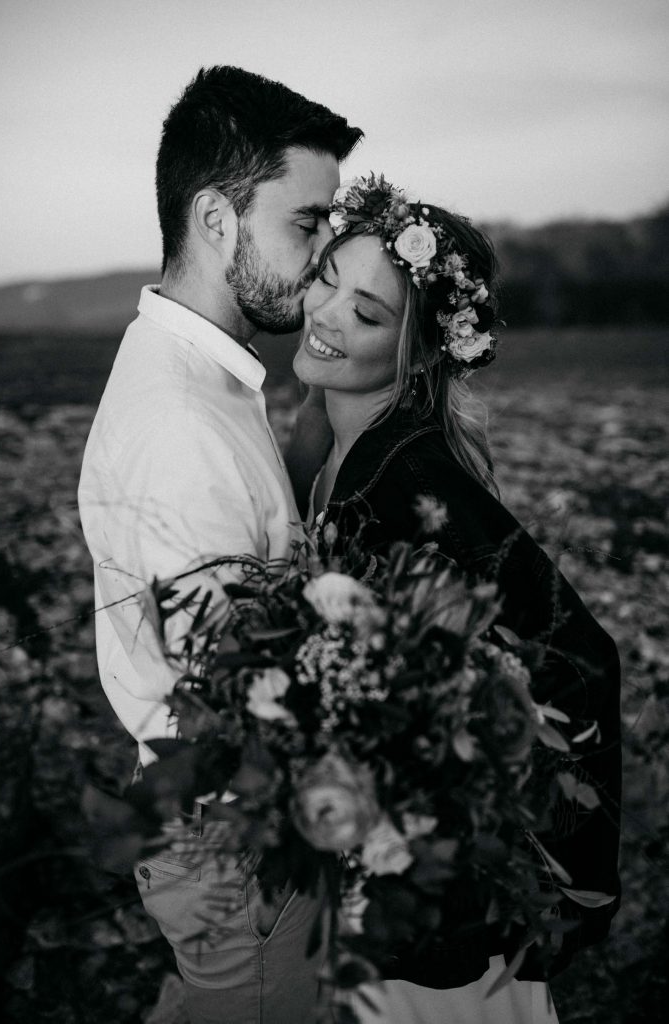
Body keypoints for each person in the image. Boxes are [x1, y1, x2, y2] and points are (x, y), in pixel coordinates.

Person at [292, 175, 622, 1022]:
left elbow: (578, 655)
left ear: (423, 353)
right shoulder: (333, 442)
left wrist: (571, 868)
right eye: (327, 277)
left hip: (436, 895)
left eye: (366, 314)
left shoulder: (411, 477)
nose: (326, 314)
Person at [78, 66, 362, 1024]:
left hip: (224, 824)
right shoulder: (181, 425)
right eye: (306, 223)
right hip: (235, 839)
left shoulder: (201, 375)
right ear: (215, 218)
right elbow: (234, 699)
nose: (325, 257)